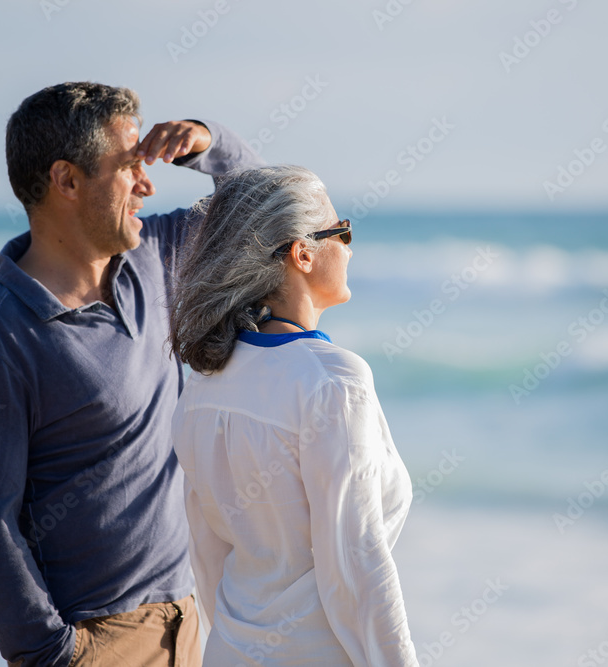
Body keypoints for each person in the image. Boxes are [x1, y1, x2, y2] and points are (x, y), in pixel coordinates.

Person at [0, 81, 262, 666]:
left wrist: (209, 145)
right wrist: (52, 655)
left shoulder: (155, 256)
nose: (148, 183)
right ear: (66, 181)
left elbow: (264, 214)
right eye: (129, 166)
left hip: (185, 623)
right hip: (93, 643)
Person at [169, 165, 420, 666]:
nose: (349, 248)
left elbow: (207, 553)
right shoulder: (332, 380)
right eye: (341, 232)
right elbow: (356, 563)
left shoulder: (200, 388)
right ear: (302, 253)